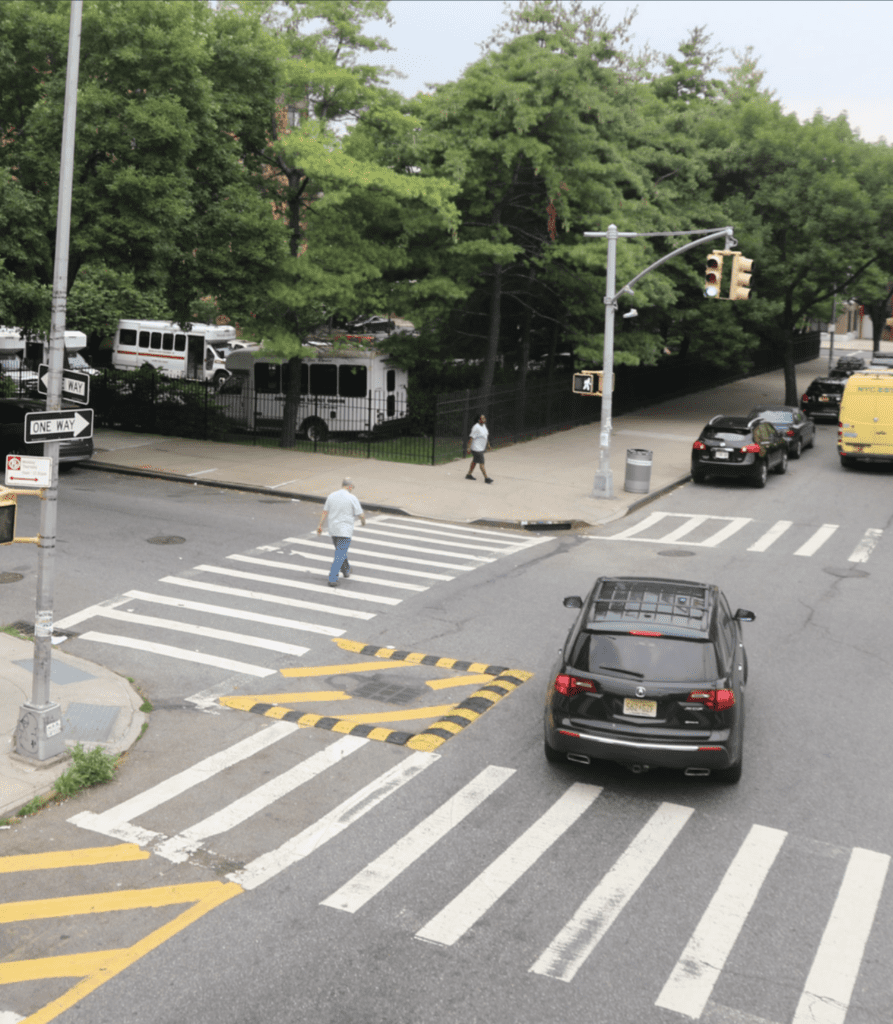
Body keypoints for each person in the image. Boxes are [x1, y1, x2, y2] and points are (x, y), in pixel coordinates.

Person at [316, 477, 366, 587]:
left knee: (340, 552)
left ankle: (346, 569)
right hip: (345, 530)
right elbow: (360, 514)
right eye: (352, 487)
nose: (352, 489)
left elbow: (325, 511)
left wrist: (320, 525)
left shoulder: (332, 496)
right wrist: (363, 521)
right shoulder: (352, 497)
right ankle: (333, 578)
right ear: (348, 486)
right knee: (339, 554)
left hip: (333, 529)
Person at [465, 413, 493, 483]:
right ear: (479, 420)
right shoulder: (476, 427)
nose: (484, 419)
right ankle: (486, 478)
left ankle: (469, 474)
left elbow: (485, 436)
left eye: (484, 418)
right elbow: (471, 438)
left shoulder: (484, 426)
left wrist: (488, 445)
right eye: (482, 418)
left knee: (474, 461)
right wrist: (468, 448)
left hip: (481, 448)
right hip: (476, 448)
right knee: (481, 463)